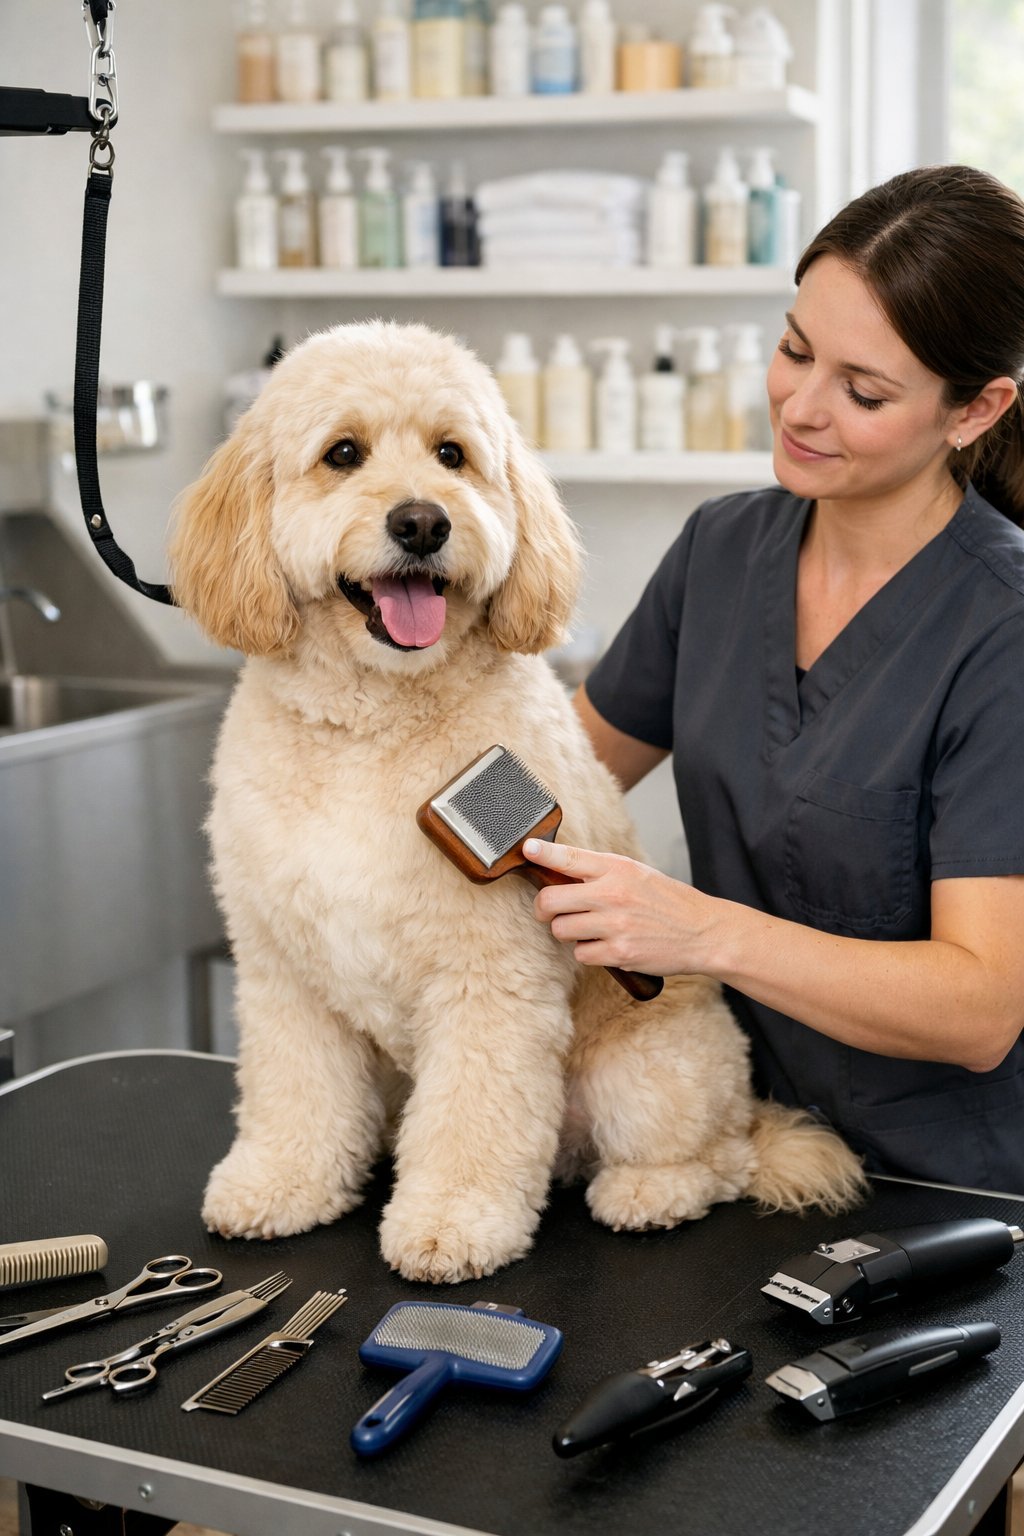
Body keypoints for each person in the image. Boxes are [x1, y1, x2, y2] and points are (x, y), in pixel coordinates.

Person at [525, 164, 1024, 1194]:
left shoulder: (1001, 629)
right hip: (742, 1145)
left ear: (972, 411)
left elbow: (981, 1009)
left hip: (953, 1190)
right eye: (794, 349)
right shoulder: (721, 550)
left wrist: (699, 931)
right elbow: (557, 781)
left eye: (863, 390)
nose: (800, 406)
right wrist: (407, 791)